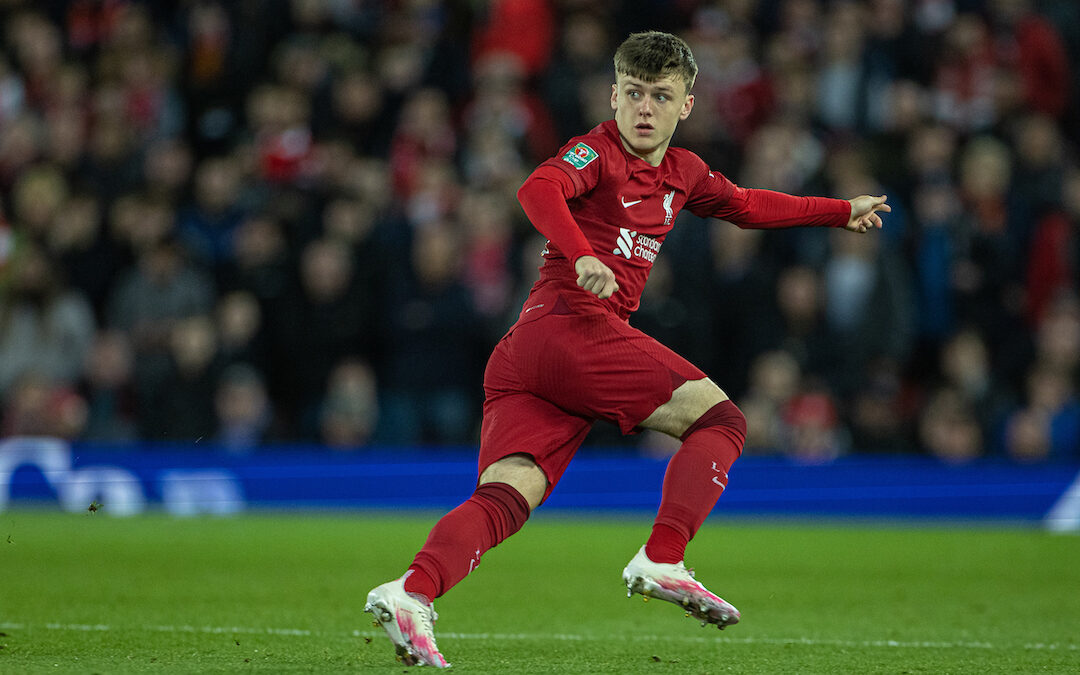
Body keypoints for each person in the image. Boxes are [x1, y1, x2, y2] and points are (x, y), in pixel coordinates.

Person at [365, 31, 889, 668]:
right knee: (722, 420)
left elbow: (748, 206)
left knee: (508, 494)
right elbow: (537, 189)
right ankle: (664, 556)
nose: (644, 109)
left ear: (686, 106)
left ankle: (412, 592)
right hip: (570, 326)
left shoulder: (684, 172)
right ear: (613, 96)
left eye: (660, 96)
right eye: (634, 94)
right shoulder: (597, 152)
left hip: (529, 353)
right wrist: (583, 255)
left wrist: (839, 212)